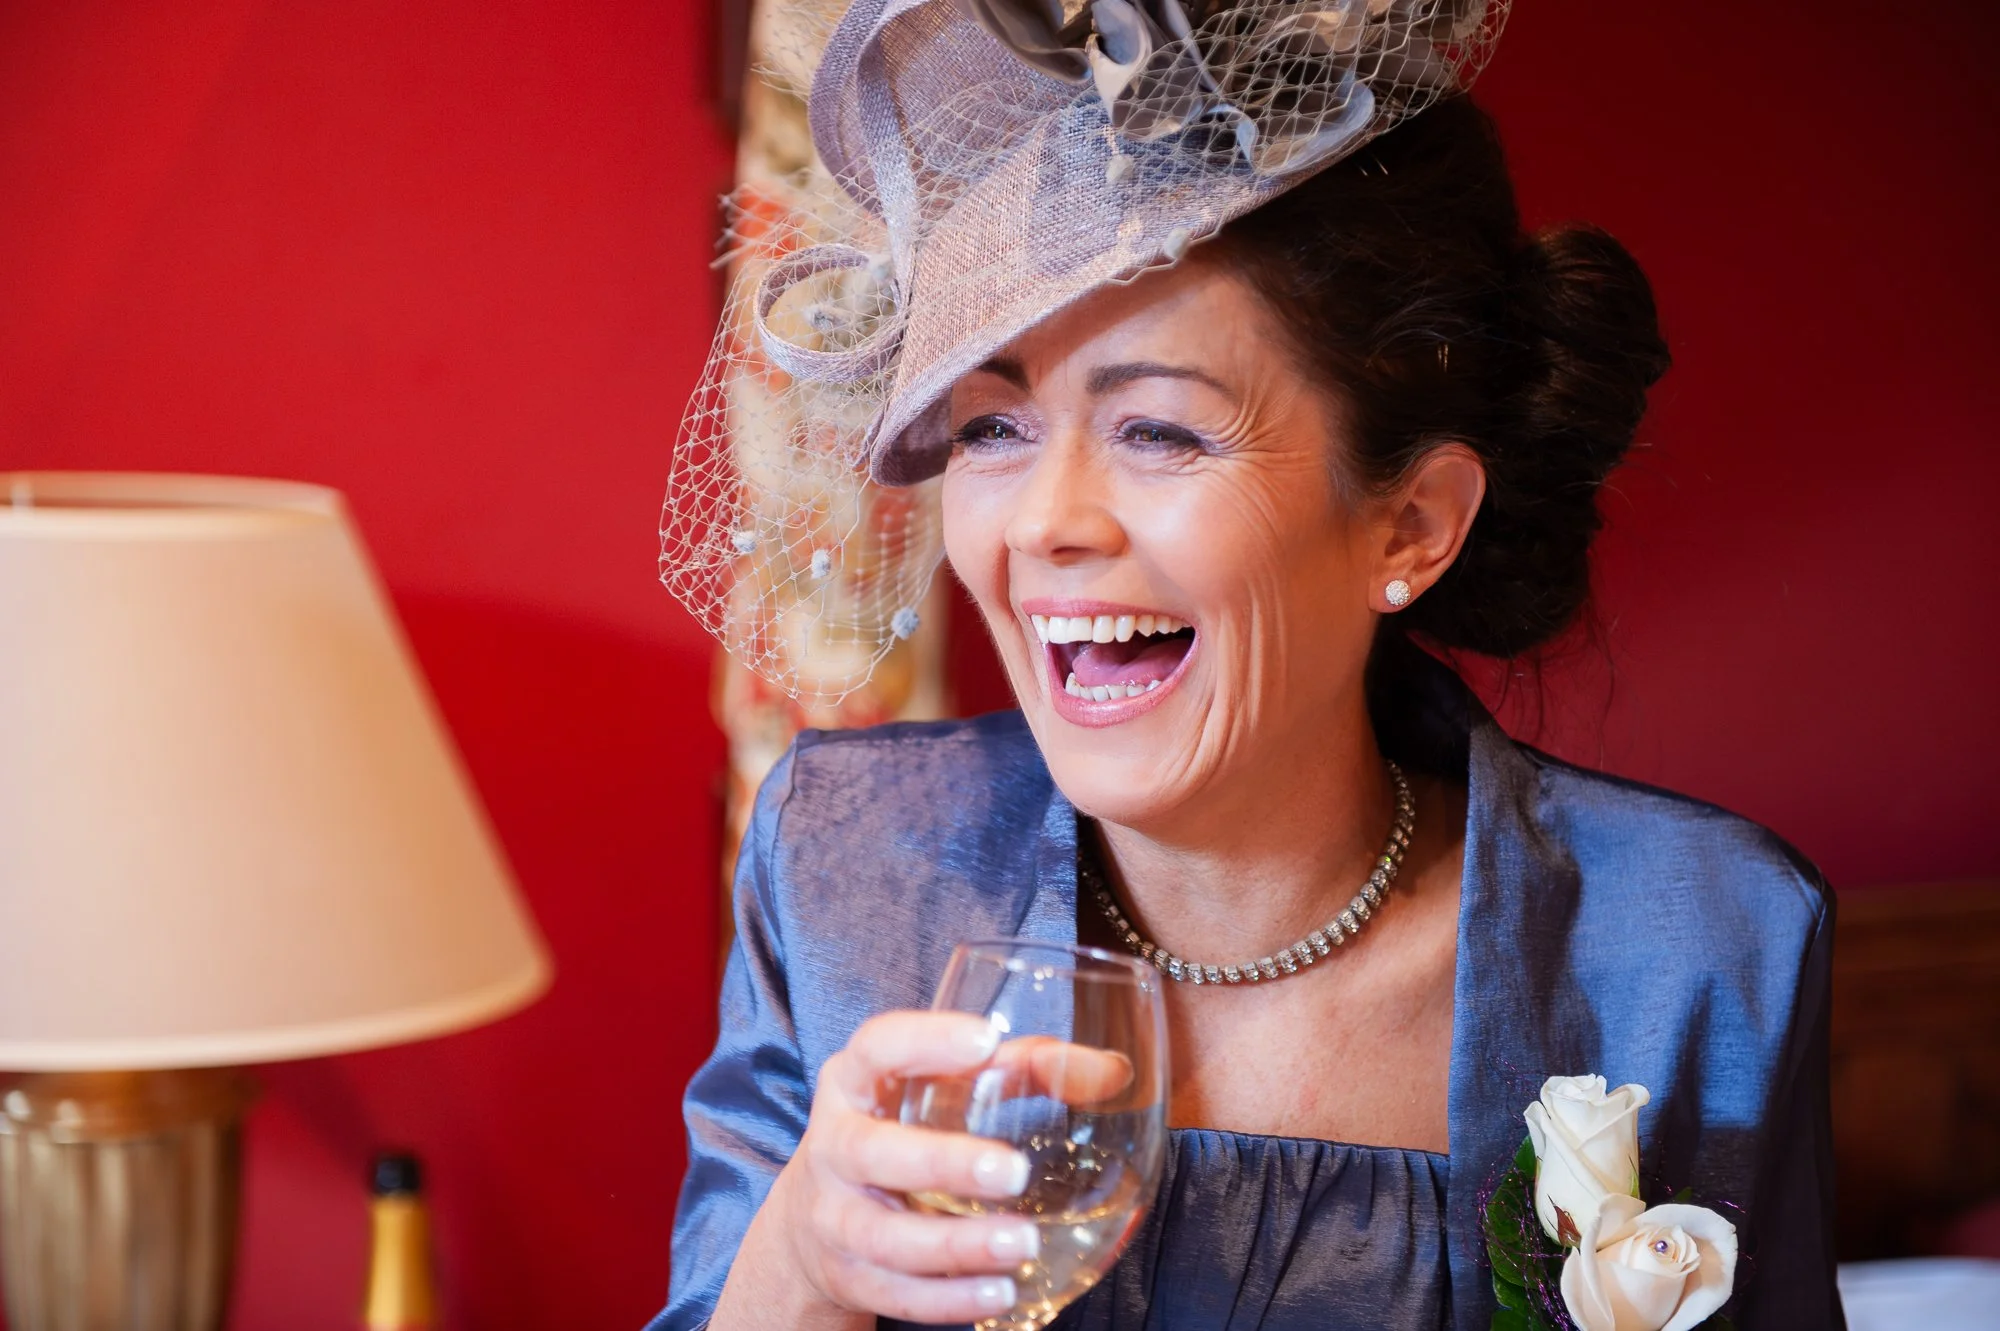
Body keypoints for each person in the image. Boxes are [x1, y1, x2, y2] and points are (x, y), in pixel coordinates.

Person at [652, 1, 1840, 1327]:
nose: (1045, 520)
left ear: (1412, 523)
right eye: (993, 423)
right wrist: (807, 1265)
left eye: (1159, 431)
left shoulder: (1696, 949)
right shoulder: (846, 869)